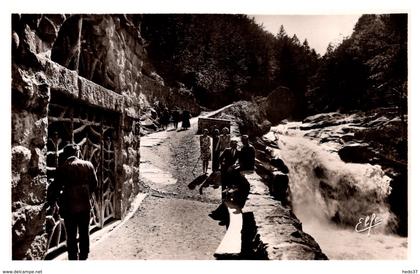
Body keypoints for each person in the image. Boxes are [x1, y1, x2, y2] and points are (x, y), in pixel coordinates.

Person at [47, 144, 98, 260]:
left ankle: (73, 257)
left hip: (69, 207)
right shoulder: (88, 165)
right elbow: (95, 184)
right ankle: (84, 255)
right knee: (85, 231)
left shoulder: (62, 168)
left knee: (71, 235)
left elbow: (56, 187)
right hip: (85, 205)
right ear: (77, 153)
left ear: (65, 154)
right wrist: (86, 193)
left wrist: (53, 200)